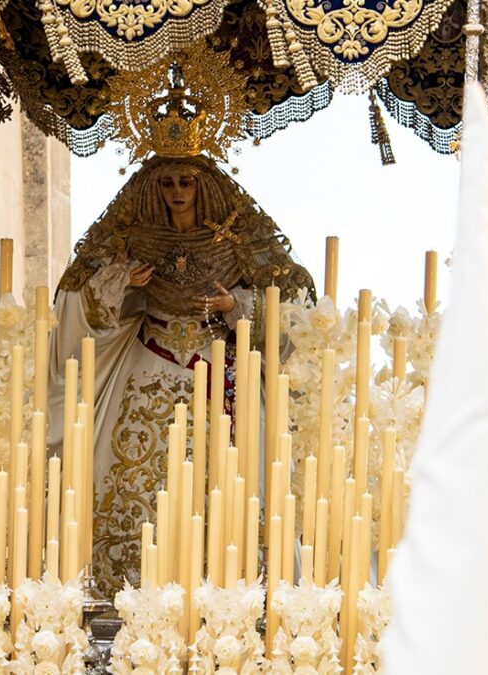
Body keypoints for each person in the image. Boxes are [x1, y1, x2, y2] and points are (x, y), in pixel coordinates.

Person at [48, 152, 314, 598]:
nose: (176, 193)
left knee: (230, 472)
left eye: (185, 183)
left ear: (202, 187)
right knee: (128, 474)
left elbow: (289, 302)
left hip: (218, 373)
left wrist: (236, 307)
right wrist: (122, 281)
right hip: (149, 364)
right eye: (168, 183)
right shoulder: (134, 243)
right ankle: (130, 581)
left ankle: (230, 583)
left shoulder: (233, 243)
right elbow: (81, 300)